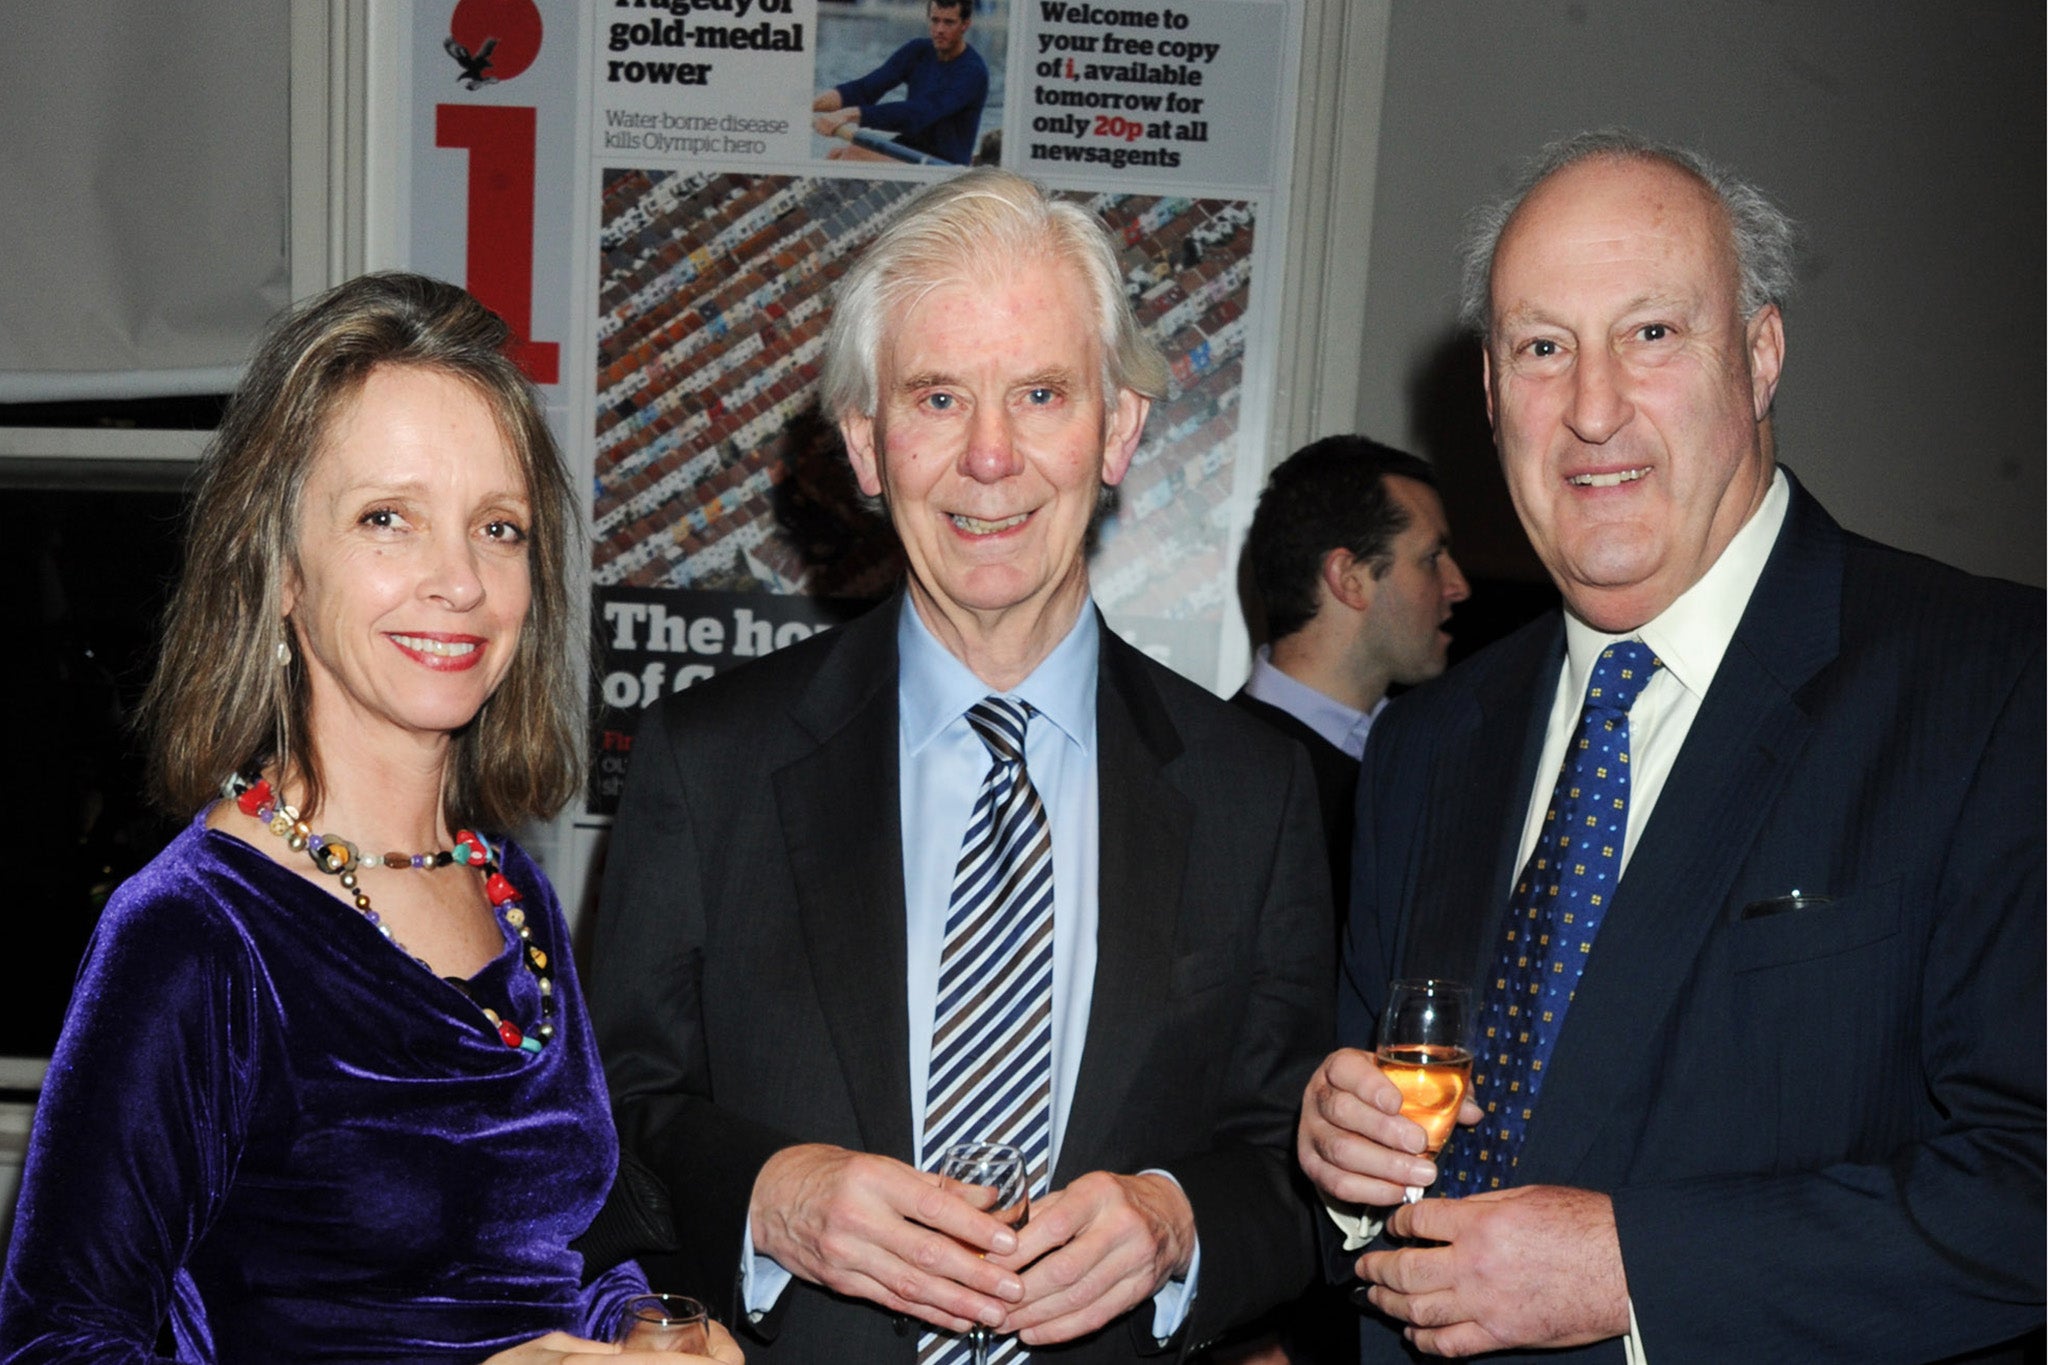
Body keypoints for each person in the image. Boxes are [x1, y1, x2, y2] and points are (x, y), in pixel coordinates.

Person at [1298, 130, 2045, 1363]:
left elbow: (2026, 1187)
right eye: (1542, 349)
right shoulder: (1427, 744)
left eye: (1650, 333)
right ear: (1488, 393)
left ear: (1758, 356)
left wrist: (1639, 1272)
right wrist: (1336, 1165)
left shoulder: (1991, 684)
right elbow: (1375, 1201)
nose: (1591, 410)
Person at [591, 169, 1331, 1362]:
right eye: (937, 398)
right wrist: (771, 1199)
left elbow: (1297, 1165)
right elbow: (600, 1129)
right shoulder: (705, 766)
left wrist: (1174, 1222)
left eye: (1039, 394)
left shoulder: (1255, 789)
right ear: (865, 445)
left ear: (1117, 429)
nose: (990, 457)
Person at [0, 273, 741, 1365]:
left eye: (498, 527)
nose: (459, 580)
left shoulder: (511, 891)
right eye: (387, 519)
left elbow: (548, 1252)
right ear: (281, 571)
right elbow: (56, 1345)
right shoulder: (194, 934)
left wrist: (637, 1326)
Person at [1235, 435, 1469, 909]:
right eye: (1431, 558)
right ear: (1349, 578)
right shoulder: (1221, 778)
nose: (1458, 585)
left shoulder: (1435, 760)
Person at [812, 0, 988, 166]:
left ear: (965, 25)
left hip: (944, 164)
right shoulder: (918, 51)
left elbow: (919, 113)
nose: (939, 29)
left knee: (855, 154)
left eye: (949, 23)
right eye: (935, 20)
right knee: (835, 154)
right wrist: (807, 106)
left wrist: (848, 115)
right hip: (908, 150)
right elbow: (864, 90)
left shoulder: (972, 72)